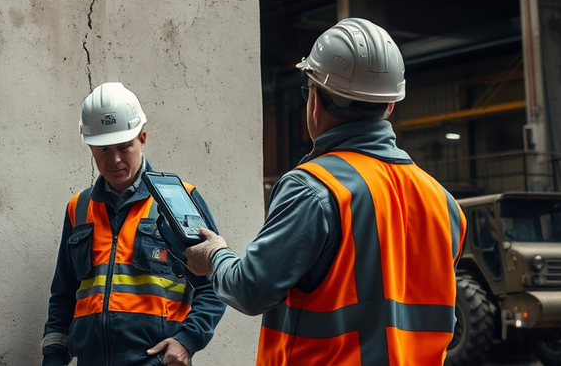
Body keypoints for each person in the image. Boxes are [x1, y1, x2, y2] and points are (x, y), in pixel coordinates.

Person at [184, 18, 467, 365]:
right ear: (390, 105)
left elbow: (251, 289)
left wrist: (214, 255)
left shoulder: (312, 188)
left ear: (316, 99)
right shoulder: (444, 203)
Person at [42, 82, 226, 366]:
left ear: (142, 138)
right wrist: (53, 359)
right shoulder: (78, 208)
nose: (114, 159)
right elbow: (63, 296)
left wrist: (187, 341)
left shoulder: (179, 200)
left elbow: (215, 283)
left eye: (124, 146)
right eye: (103, 149)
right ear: (90, 147)